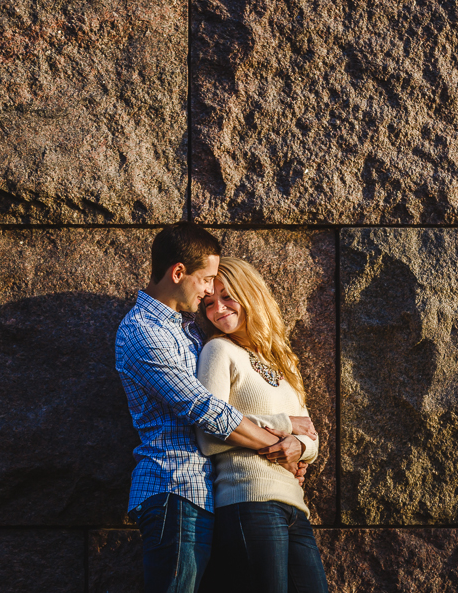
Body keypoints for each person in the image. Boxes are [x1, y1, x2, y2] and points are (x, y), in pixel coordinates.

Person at [115, 223, 313, 593]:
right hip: (173, 488)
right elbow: (205, 410)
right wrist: (281, 441)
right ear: (178, 273)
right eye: (206, 280)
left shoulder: (186, 330)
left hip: (203, 493)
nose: (209, 291)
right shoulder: (144, 330)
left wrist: (295, 450)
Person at [194, 257, 329, 593]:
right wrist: (284, 426)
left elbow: (309, 433)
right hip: (247, 501)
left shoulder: (284, 364)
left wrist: (300, 447)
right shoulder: (217, 350)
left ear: (249, 293)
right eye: (209, 303)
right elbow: (209, 432)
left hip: (294, 505)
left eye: (227, 297)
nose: (218, 309)